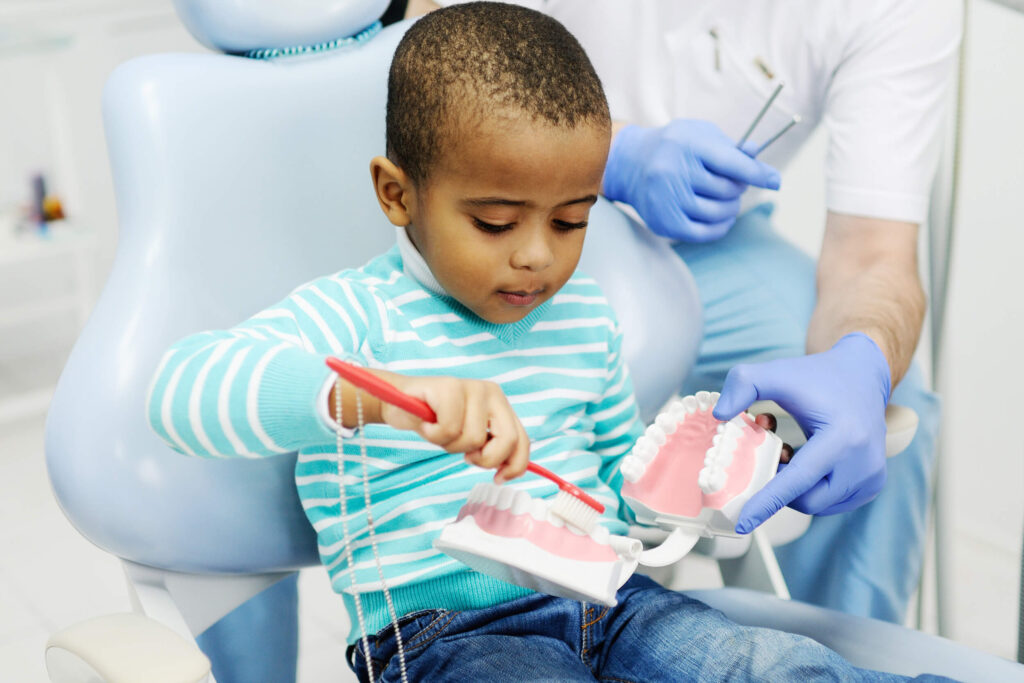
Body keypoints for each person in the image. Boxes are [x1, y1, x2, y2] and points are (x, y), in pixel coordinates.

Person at [148, 3, 955, 680]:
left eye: (572, 220)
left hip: (613, 601)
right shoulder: (359, 317)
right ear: (398, 194)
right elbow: (183, 392)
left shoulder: (585, 320)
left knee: (771, 665)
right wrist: (376, 396)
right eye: (496, 222)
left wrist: (700, 481)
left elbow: (609, 491)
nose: (537, 254)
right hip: (443, 633)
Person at [415, 0, 961, 624]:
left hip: (710, 254)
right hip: (516, 206)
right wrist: (605, 154)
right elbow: (434, 36)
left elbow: (874, 252)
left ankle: (835, 649)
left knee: (888, 407)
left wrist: (861, 363)